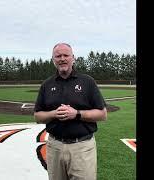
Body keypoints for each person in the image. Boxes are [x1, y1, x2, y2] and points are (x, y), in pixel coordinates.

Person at [34, 43, 107, 180]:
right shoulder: (47, 84)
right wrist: (53, 114)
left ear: (73, 58)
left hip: (82, 147)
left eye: (66, 55)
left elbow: (102, 114)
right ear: (53, 60)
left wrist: (77, 114)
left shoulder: (87, 82)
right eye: (58, 56)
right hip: (54, 146)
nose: (62, 58)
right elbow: (37, 116)